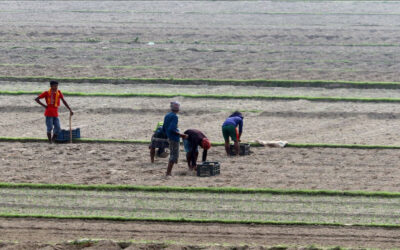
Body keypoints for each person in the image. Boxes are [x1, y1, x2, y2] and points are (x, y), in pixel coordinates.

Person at [162, 101, 188, 176]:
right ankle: (168, 173)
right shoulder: (175, 116)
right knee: (174, 155)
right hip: (174, 138)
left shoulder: (167, 115)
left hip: (169, 137)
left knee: (172, 154)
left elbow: (164, 127)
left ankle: (168, 172)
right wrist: (181, 135)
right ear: (178, 109)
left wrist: (167, 134)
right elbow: (172, 129)